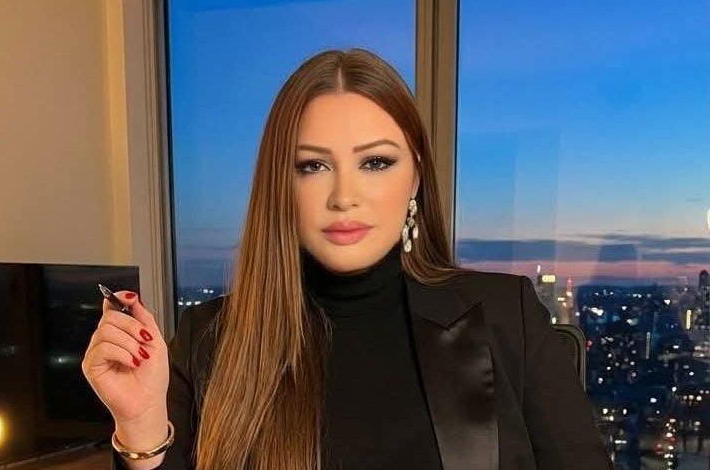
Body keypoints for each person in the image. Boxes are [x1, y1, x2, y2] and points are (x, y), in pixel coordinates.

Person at [82, 48, 613, 470]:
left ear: (415, 177)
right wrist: (141, 426)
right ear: (280, 185)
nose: (344, 196)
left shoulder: (505, 313)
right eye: (312, 166)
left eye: (375, 162)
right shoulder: (209, 339)